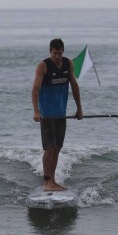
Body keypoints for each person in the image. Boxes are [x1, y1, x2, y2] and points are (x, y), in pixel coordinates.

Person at [31, 38, 84, 191]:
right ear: (50, 52)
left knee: (57, 147)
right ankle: (47, 182)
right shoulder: (43, 66)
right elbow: (35, 89)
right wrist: (36, 111)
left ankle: (53, 181)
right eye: (54, 53)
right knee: (49, 147)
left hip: (61, 113)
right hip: (47, 114)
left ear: (63, 52)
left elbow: (74, 85)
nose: (57, 57)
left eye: (59, 53)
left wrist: (79, 109)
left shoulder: (68, 64)